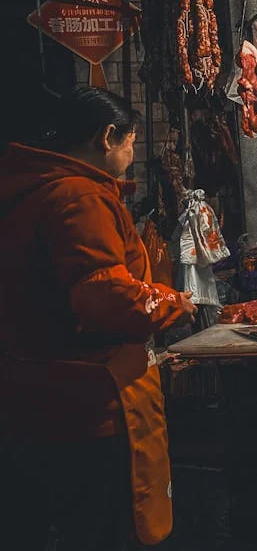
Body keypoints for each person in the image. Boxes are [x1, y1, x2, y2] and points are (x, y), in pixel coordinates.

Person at [0, 86, 197, 549]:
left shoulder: (31, 188)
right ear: (108, 137)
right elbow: (104, 297)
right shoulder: (77, 197)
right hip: (93, 404)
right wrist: (173, 304)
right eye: (130, 143)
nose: (131, 154)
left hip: (41, 398)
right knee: (104, 530)